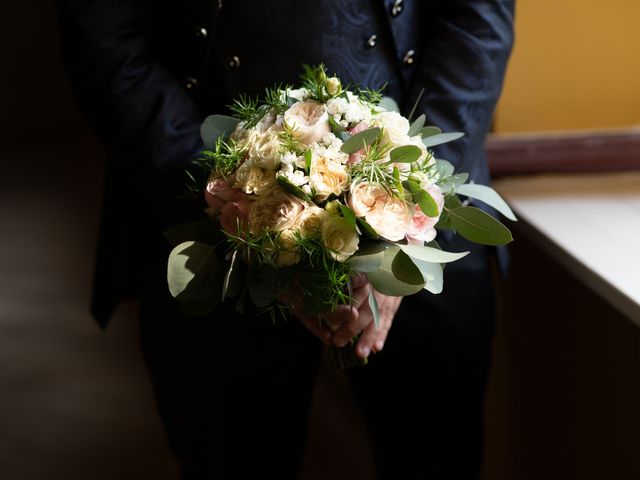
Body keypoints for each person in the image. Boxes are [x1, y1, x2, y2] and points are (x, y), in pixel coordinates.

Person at [57, 0, 514, 478]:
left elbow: (478, 20)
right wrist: (244, 213)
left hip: (421, 218)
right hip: (206, 223)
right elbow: (108, 44)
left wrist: (407, 210)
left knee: (437, 457)